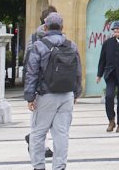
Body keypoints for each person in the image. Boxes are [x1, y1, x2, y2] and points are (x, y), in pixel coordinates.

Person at [25, 11, 80, 170]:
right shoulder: (71, 45)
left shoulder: (39, 46)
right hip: (67, 95)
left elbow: (31, 72)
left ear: (45, 27)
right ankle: (59, 166)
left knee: (38, 133)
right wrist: (76, 92)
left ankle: (38, 166)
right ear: (62, 27)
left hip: (46, 95)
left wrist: (30, 97)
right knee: (61, 134)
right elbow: (77, 71)